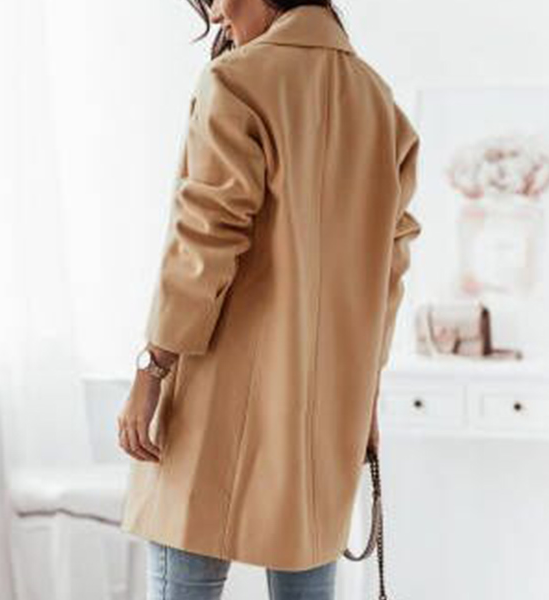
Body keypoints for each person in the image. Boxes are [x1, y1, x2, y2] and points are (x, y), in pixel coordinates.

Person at [118, 1, 422, 598]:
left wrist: (151, 367)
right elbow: (388, 271)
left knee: (184, 579)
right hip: (325, 404)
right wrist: (365, 392)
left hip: (213, 395)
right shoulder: (379, 103)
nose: (215, 14)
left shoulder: (236, 80)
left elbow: (206, 236)